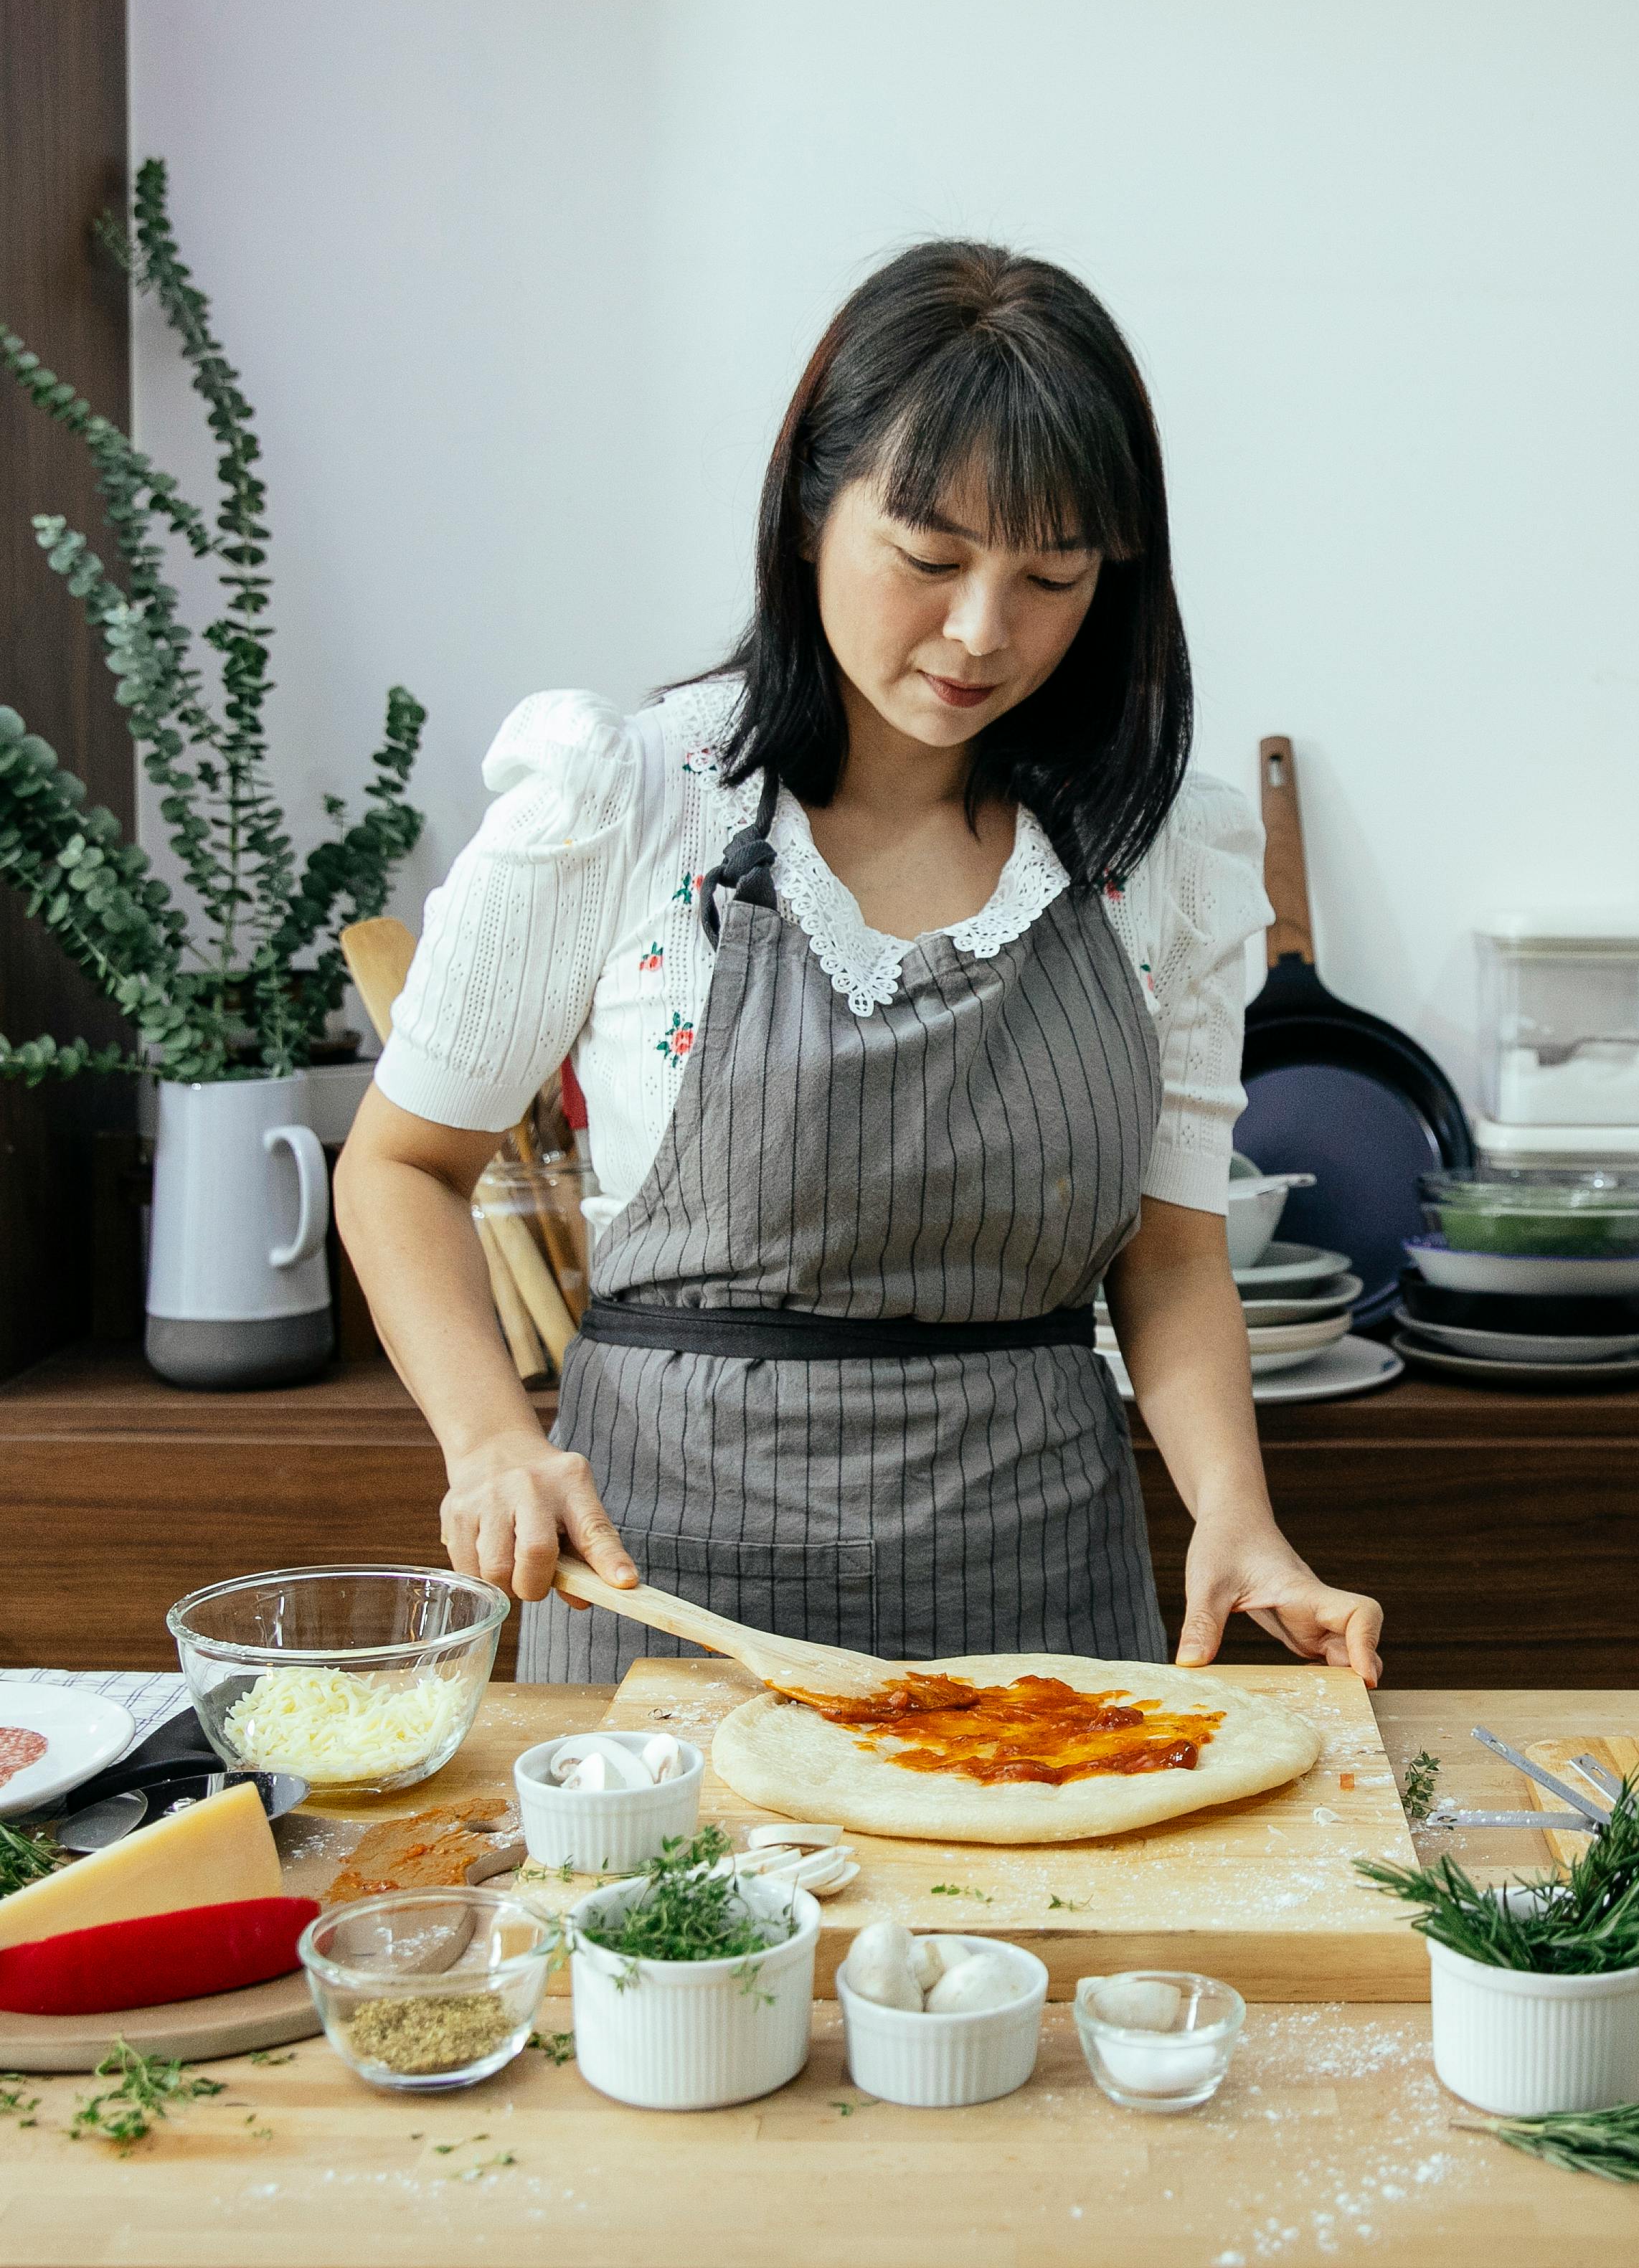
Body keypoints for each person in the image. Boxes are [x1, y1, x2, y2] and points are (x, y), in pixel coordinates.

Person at [336, 240, 1384, 1689]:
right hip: (670, 1598)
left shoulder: (1156, 862)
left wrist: (1238, 1520)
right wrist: (490, 1442)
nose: (980, 633)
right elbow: (399, 1168)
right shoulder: (626, 802)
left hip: (1038, 1621)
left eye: (1051, 577)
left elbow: (1172, 1249)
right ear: (813, 513)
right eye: (931, 558)